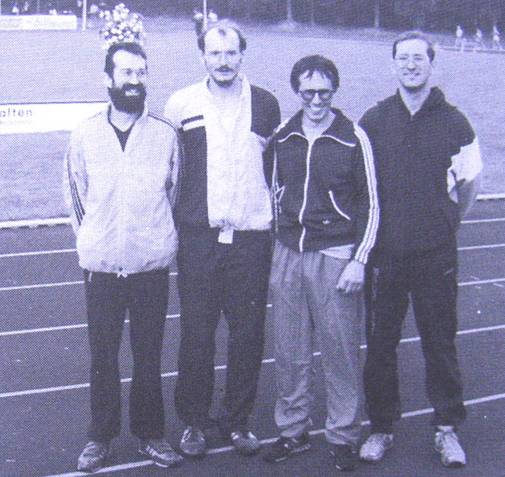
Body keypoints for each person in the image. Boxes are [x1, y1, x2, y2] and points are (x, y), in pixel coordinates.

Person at [358, 31, 482, 468]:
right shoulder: (373, 120)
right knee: (380, 344)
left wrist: (445, 222)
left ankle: (446, 429)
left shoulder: (455, 122)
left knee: (440, 343)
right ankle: (381, 427)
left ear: (431, 64)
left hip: (435, 256)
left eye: (418, 58)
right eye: (403, 58)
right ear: (393, 64)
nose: (411, 65)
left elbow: (470, 184)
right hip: (385, 256)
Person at [64, 41, 183, 472]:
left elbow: (175, 192)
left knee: (149, 356)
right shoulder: (86, 134)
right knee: (103, 357)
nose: (134, 80)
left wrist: (152, 238)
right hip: (101, 267)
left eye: (140, 72)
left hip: (149, 266)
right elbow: (76, 195)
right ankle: (100, 438)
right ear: (108, 79)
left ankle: (151, 434)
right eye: (125, 72)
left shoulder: (166, 134)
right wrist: (96, 239)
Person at [164, 21, 280, 457]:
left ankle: (238, 420)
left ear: (242, 54)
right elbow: (170, 171)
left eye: (230, 53)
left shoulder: (267, 104)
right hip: (200, 239)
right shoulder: (181, 104)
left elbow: (274, 171)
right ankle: (194, 422)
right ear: (203, 57)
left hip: (251, 240)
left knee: (248, 334)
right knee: (196, 334)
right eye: (215, 53)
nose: (223, 61)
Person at [262, 55, 379, 472]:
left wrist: (358, 260)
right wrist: (281, 246)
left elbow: (371, 203)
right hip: (290, 254)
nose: (316, 99)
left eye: (324, 91)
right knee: (290, 351)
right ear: (297, 90)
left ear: (334, 91)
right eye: (308, 91)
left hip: (336, 256)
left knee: (341, 352)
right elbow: (272, 188)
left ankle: (343, 435)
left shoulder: (353, 137)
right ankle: (292, 431)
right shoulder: (283, 136)